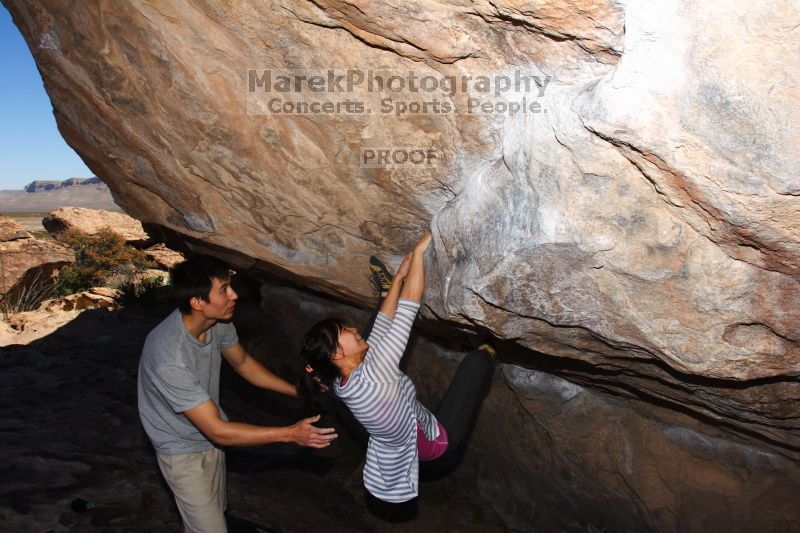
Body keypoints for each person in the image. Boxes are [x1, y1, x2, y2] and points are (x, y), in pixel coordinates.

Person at [137, 256, 337, 533]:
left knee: (209, 516)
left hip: (210, 434)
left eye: (230, 286)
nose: (234, 295)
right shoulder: (169, 357)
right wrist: (290, 433)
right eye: (223, 290)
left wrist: (298, 391)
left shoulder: (216, 322)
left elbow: (243, 364)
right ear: (197, 302)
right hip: (181, 449)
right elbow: (219, 431)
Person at [298, 232, 496, 505]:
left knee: (375, 330)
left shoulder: (345, 384)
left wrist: (399, 279)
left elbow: (381, 325)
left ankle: (387, 288)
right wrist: (418, 254)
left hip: (413, 433)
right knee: (476, 362)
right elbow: (408, 307)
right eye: (345, 331)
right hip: (438, 444)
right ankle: (493, 347)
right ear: (336, 354)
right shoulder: (374, 375)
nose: (354, 329)